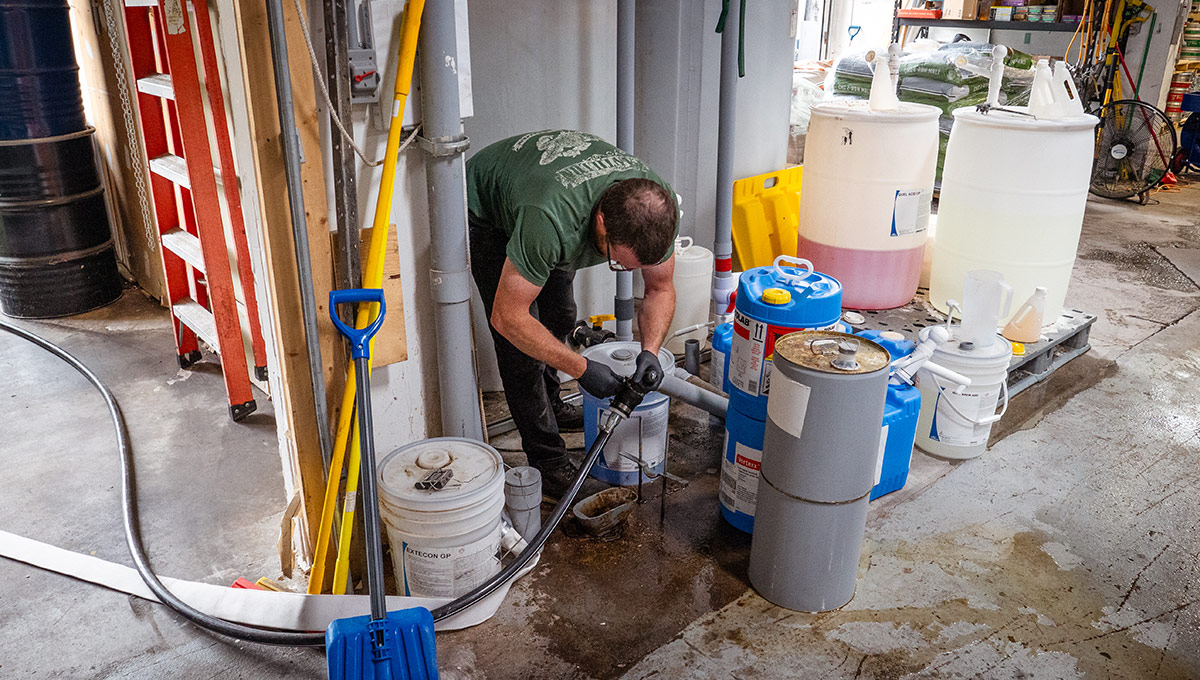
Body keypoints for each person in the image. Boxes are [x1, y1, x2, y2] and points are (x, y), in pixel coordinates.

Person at [467, 129, 679, 499]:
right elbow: (508, 317)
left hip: (549, 203)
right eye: (617, 263)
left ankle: (551, 402)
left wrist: (651, 349)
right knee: (519, 352)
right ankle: (547, 462)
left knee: (561, 315)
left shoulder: (655, 207)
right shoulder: (550, 221)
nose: (624, 270)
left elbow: (660, 288)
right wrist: (582, 369)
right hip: (488, 212)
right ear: (600, 224)